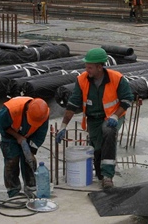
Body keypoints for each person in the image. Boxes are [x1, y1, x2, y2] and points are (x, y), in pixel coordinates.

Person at [55, 48, 134, 189]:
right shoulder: (82, 80)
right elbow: (73, 104)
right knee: (97, 149)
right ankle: (100, 174)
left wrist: (115, 116)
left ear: (99, 67)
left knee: (108, 132)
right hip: (93, 119)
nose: (87, 70)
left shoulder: (117, 78)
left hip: (112, 117)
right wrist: (63, 126)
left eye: (89, 67)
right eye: (86, 66)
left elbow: (127, 99)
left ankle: (108, 176)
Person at [0, 97, 49, 198]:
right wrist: (18, 136)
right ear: (27, 111)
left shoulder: (43, 113)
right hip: (10, 135)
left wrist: (31, 151)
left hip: (30, 135)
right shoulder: (10, 110)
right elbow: (2, 126)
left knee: (29, 160)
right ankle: (13, 190)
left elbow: (41, 133)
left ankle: (30, 186)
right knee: (12, 161)